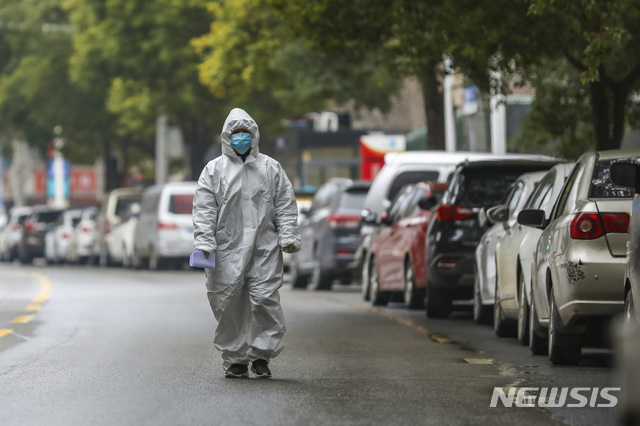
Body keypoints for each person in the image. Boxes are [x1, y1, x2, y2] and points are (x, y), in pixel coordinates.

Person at [192, 108, 301, 379]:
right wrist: (204, 241)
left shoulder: (271, 168)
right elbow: (204, 209)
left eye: (246, 133)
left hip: (264, 247)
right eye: (236, 134)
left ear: (254, 136)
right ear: (227, 137)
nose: (241, 138)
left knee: (264, 299)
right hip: (227, 248)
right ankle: (236, 359)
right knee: (228, 302)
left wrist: (287, 235)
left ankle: (261, 356)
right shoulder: (214, 170)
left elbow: (285, 204)